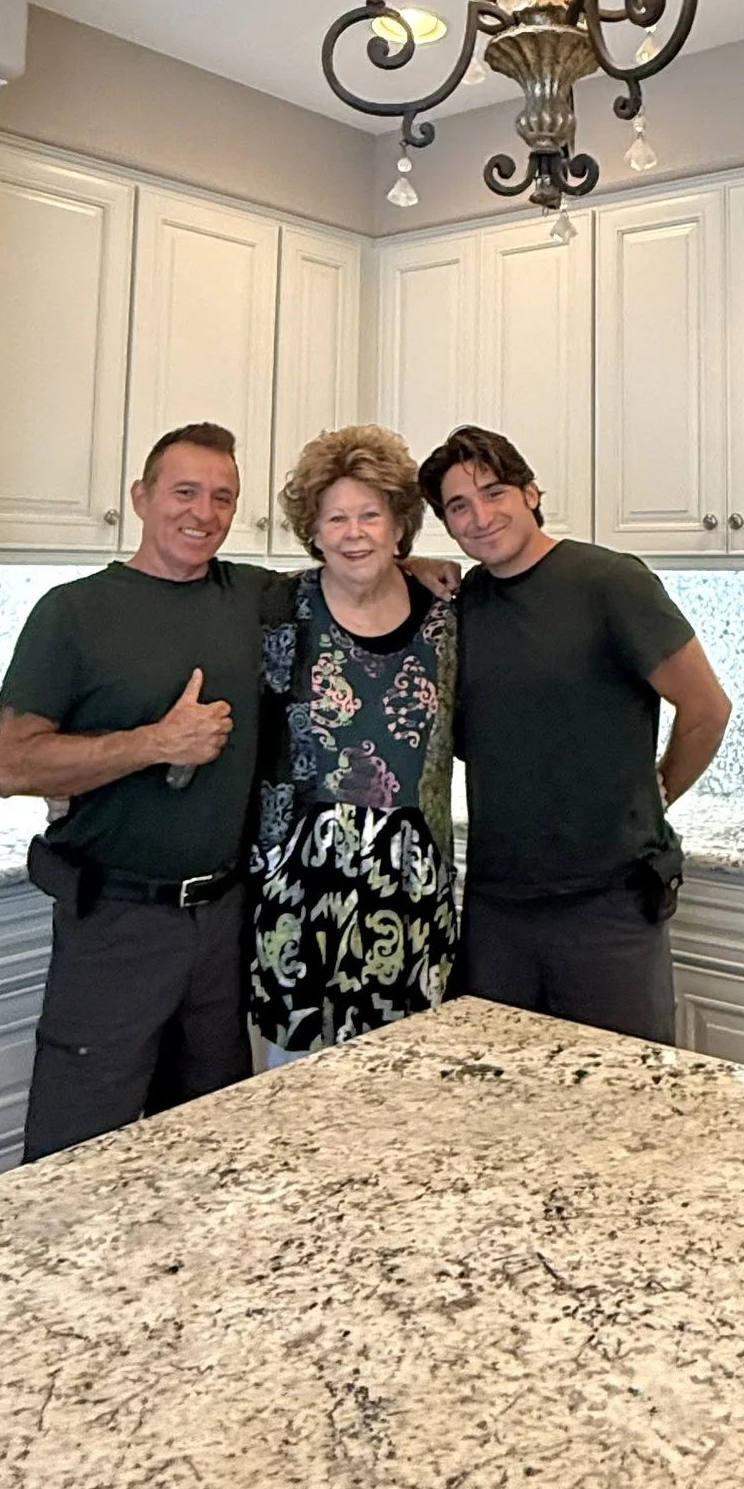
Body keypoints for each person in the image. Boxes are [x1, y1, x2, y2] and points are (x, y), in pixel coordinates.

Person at [0, 421, 288, 1160]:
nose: (204, 513)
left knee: (206, 1147)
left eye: (223, 497)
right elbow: (14, 765)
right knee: (75, 1155)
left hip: (223, 921)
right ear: (140, 497)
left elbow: (353, 571)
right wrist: (155, 742)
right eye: (185, 491)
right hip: (116, 922)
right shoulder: (74, 612)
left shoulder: (251, 595)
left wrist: (417, 563)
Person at [417, 424, 732, 1045]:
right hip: (497, 905)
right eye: (459, 506)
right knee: (500, 1082)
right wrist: (408, 565)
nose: (481, 516)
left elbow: (706, 708)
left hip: (607, 903)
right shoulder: (463, 604)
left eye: (494, 493)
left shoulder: (609, 583)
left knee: (623, 1084)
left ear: (531, 494)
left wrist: (659, 791)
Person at [249, 425, 459, 1055]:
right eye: (335, 518)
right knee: (291, 1080)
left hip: (413, 885)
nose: (354, 533)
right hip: (296, 887)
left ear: (399, 525)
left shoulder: (449, 616)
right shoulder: (275, 606)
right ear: (313, 531)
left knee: (404, 1075)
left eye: (371, 515)